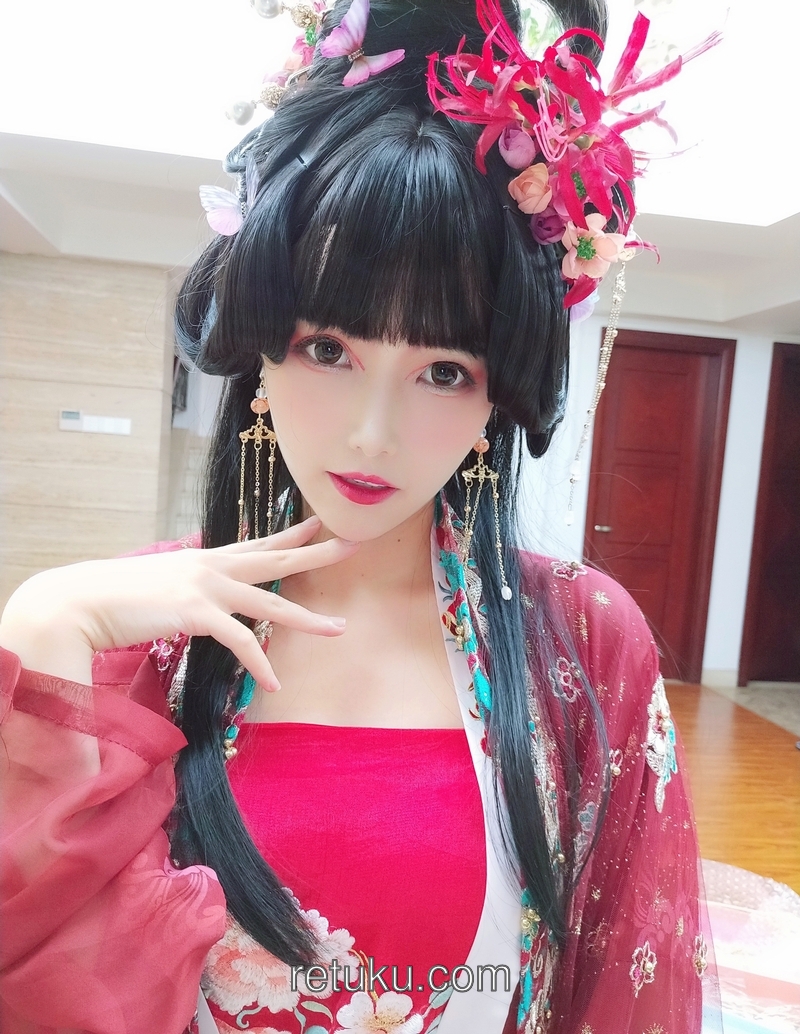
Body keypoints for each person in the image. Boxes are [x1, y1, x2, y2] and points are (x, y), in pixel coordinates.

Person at [0, 1, 721, 1032]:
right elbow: (52, 985)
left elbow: (622, 995)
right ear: (262, 354)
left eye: (443, 369)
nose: (373, 434)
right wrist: (43, 620)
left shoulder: (579, 640)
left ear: (496, 396)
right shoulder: (141, 637)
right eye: (329, 349)